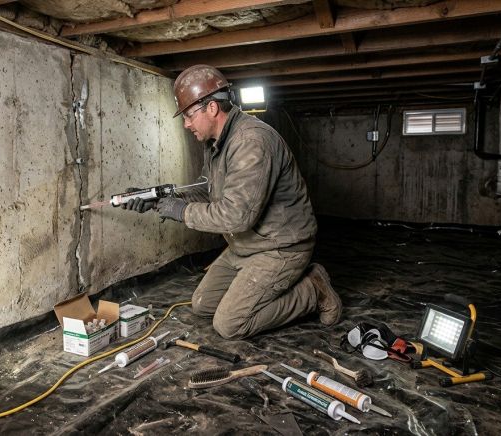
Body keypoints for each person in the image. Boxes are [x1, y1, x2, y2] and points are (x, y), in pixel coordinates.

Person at [123, 64, 342, 340]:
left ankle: (313, 289)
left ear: (212, 108)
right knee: (203, 305)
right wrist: (159, 199)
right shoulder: (217, 144)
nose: (186, 124)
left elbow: (238, 216)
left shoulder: (251, 142)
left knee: (230, 324)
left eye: (189, 115)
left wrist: (182, 211)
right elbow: (212, 195)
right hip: (246, 244)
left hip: (280, 246)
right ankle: (272, 289)